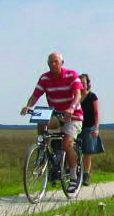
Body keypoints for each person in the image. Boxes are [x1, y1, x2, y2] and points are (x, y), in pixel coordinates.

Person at [20, 52, 82, 184]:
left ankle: (73, 175)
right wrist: (28, 106)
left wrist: (71, 107)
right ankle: (42, 151)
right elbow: (36, 95)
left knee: (67, 144)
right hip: (56, 114)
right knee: (41, 121)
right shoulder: (45, 78)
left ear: (62, 63)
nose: (53, 64)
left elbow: (77, 94)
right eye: (50, 62)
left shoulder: (72, 75)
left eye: (55, 62)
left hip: (73, 116)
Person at [79, 73, 105, 186]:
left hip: (89, 127)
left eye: (84, 83)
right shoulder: (75, 96)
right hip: (77, 127)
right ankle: (75, 174)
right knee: (75, 151)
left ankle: (86, 174)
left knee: (87, 152)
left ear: (87, 84)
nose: (82, 85)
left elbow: (96, 113)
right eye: (79, 83)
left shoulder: (92, 96)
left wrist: (96, 127)